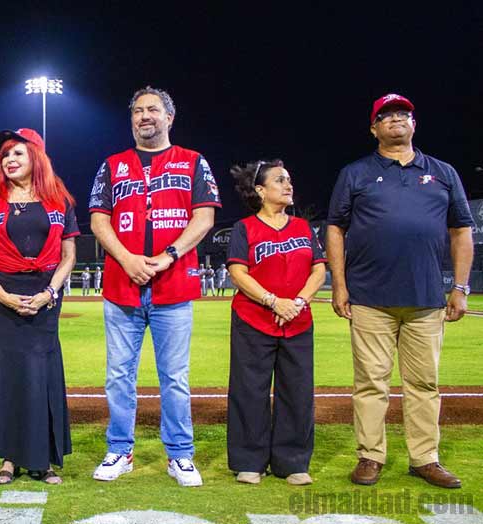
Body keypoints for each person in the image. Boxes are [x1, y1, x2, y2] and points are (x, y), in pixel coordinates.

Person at [327, 94, 475, 489]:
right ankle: (370, 455)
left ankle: (424, 458)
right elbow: (335, 228)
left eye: (403, 114)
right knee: (371, 383)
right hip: (370, 296)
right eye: (386, 116)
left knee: (424, 383)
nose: (396, 120)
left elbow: (461, 230)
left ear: (414, 124)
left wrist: (460, 287)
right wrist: (339, 285)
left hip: (426, 298)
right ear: (374, 128)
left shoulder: (443, 172)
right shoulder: (355, 173)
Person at [89, 86, 220, 487]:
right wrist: (127, 259)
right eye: (138, 111)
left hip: (173, 284)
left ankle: (180, 455)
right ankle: (120, 450)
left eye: (153, 110)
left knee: (175, 376)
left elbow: (204, 218)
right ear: (131, 120)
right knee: (118, 375)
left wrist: (167, 256)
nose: (145, 116)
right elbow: (98, 221)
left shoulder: (193, 161)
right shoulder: (112, 165)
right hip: (122, 284)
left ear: (169, 118)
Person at [0, 128, 78, 485]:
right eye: (5, 155)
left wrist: (50, 292)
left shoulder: (59, 199)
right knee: (6, 375)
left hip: (45, 294)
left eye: (17, 153)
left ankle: (43, 460)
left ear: (36, 156)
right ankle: (9, 458)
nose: (10, 160)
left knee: (40, 375)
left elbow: (68, 255)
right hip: (3, 294)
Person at [225, 159, 327, 485]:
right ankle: (250, 460)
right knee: (249, 390)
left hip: (297, 319)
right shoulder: (245, 228)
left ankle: (293, 461)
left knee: (297, 390)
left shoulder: (302, 228)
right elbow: (237, 272)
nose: (288, 185)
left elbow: (318, 269)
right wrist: (272, 300)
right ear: (260, 190)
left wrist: (298, 302)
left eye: (289, 180)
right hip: (253, 318)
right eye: (280, 180)